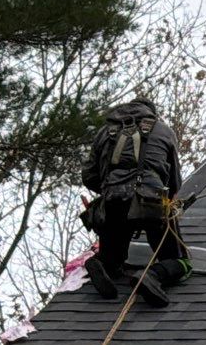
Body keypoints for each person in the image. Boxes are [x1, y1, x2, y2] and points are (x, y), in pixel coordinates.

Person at [80, 97, 190, 307]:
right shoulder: (163, 130)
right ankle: (152, 276)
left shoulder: (105, 132)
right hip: (151, 200)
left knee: (113, 257)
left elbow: (89, 176)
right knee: (178, 260)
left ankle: (103, 264)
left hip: (112, 199)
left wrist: (111, 187)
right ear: (151, 113)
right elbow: (174, 180)